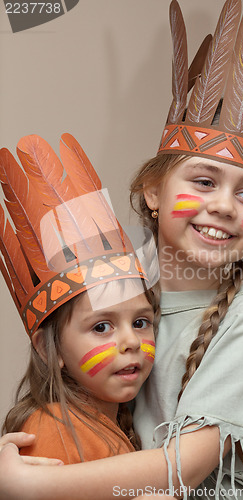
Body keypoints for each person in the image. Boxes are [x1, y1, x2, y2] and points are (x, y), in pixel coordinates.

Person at [0, 0, 243, 499]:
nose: (224, 207)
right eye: (204, 180)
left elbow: (185, 468)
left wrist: (31, 485)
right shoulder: (128, 287)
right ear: (153, 192)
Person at [0, 133, 158, 464]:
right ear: (47, 348)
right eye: (102, 327)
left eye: (141, 322)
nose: (131, 340)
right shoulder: (55, 431)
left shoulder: (107, 424)